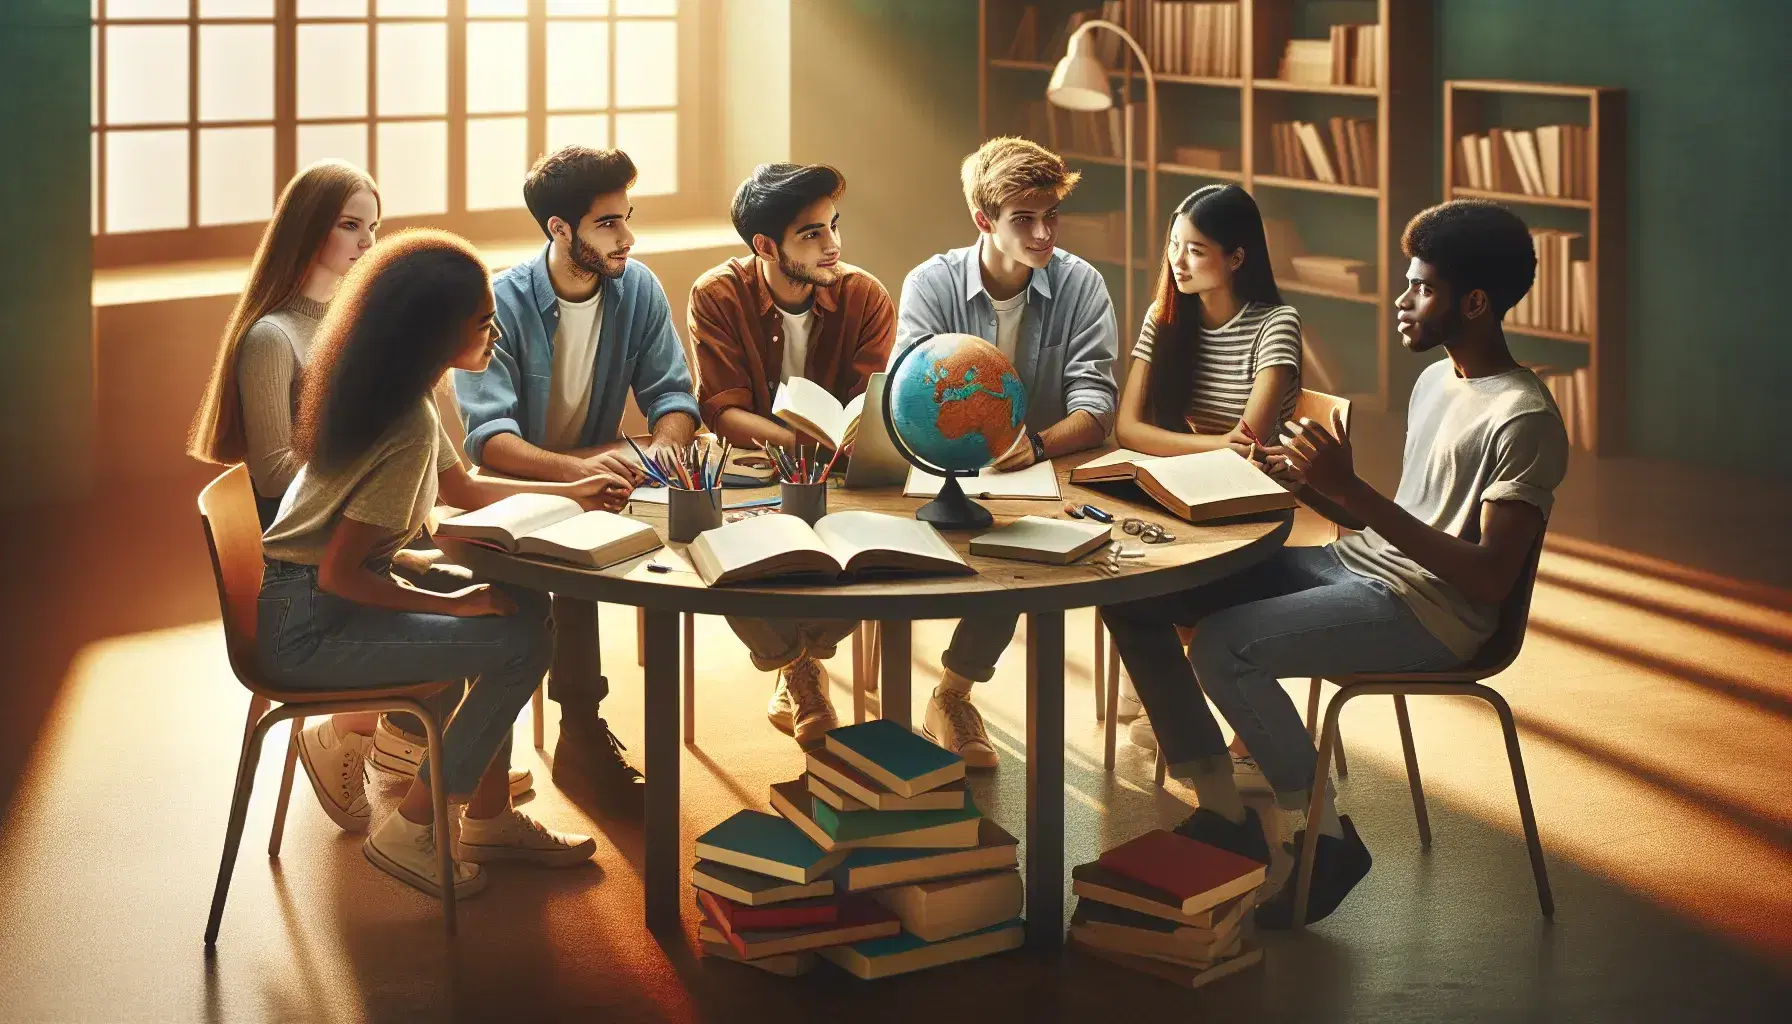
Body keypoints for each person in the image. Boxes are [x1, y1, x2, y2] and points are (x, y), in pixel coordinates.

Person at [1100, 199, 1567, 927]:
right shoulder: (1439, 379)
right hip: (1361, 567)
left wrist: (1353, 491)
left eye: (1422, 289)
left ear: (1474, 303)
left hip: (1434, 616)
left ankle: (1321, 837)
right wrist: (1327, 492)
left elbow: (1486, 580)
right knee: (1138, 594)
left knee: (1226, 645)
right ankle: (1224, 811)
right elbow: (1394, 525)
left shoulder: (1525, 416)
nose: (1403, 303)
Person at [260, 229, 629, 897]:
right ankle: (415, 827)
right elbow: (342, 573)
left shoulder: (402, 393)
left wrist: (571, 488)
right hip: (310, 626)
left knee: (521, 607)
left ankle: (488, 818)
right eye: (484, 322)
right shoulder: (401, 427)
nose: (496, 335)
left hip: (317, 599)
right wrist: (453, 606)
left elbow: (462, 490)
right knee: (513, 643)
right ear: (435, 331)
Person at [186, 162, 531, 828]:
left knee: (498, 589)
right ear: (307, 229)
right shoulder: (273, 336)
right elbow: (277, 477)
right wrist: (380, 487)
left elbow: (433, 469)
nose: (365, 242)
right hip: (317, 555)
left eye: (373, 227)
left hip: (366, 534)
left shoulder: (366, 328)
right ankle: (374, 738)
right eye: (349, 225)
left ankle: (435, 758)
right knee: (483, 615)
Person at [455, 146, 700, 813]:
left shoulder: (638, 287)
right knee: (565, 546)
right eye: (607, 224)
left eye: (628, 218)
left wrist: (667, 455)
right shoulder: (495, 302)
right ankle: (580, 735)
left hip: (608, 477)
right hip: (515, 490)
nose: (627, 237)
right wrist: (578, 474)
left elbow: (673, 397)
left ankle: (582, 737)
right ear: (559, 230)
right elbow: (490, 440)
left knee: (695, 532)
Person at [892, 137, 1118, 768]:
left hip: (1041, 476)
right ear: (983, 220)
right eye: (1025, 219)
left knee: (1017, 561)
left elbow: (1096, 408)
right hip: (940, 467)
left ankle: (954, 694)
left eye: (1052, 216)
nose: (1044, 233)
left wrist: (1036, 444)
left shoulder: (1081, 286)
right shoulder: (930, 284)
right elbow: (908, 394)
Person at [689, 163, 895, 748]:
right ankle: (798, 667)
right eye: (812, 234)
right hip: (753, 474)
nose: (834, 246)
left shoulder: (864, 294)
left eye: (834, 226)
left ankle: (803, 658)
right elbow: (723, 412)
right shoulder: (718, 294)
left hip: (844, 474)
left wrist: (843, 446)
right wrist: (805, 443)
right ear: (765, 245)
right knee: (718, 549)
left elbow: (869, 408)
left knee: (874, 550)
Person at [1110, 184, 1303, 782]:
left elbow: (1251, 442)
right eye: (1174, 247)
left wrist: (1215, 447)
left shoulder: (1275, 323)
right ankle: (1169, 695)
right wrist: (1211, 446)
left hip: (1255, 505)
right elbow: (1128, 427)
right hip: (1192, 490)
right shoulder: (1166, 316)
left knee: (1163, 580)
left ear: (1237, 258)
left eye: (1195, 250)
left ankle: (1198, 713)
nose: (1178, 261)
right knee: (1121, 566)